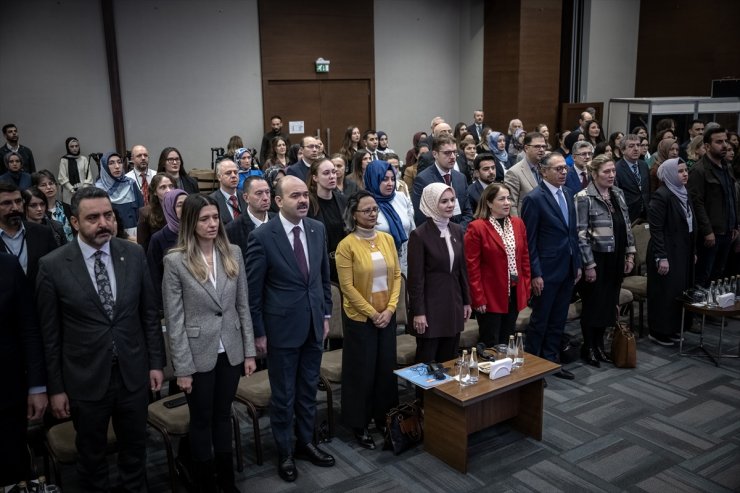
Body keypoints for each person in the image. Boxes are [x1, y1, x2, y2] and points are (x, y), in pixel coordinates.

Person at [35, 186, 165, 492]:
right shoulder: (52, 266)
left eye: (108, 215)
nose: (104, 223)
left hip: (133, 375)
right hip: (86, 380)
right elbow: (49, 336)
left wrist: (156, 364)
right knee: (92, 460)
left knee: (135, 451)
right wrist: (55, 388)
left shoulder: (133, 254)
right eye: (93, 217)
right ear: (75, 222)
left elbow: (149, 315)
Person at [162, 194, 256, 491]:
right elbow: (174, 320)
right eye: (204, 219)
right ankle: (204, 483)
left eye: (215, 217)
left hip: (230, 349)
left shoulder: (233, 253)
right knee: (201, 420)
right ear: (191, 222)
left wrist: (250, 352)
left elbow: (243, 306)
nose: (212, 223)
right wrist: (183, 369)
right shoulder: (175, 261)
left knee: (222, 415)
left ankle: (226, 483)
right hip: (196, 354)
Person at [246, 175, 335, 482]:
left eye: (305, 195)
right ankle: (284, 452)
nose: (302, 200)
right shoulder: (263, 236)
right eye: (294, 195)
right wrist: (258, 333)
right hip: (281, 330)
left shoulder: (317, 228)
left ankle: (305, 442)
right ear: (278, 201)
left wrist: (325, 316)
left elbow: (323, 278)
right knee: (283, 396)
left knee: (308, 389)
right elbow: (253, 292)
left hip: (313, 325)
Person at [335, 189, 400, 450]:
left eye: (375, 209)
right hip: (361, 320)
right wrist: (373, 314)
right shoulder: (346, 245)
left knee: (386, 371)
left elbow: (396, 276)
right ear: (354, 214)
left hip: (387, 315)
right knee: (361, 373)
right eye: (367, 210)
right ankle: (359, 424)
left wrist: (391, 309)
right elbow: (347, 288)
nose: (373, 214)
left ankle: (385, 418)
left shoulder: (387, 239)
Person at [521, 153, 582, 379]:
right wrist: (535, 273)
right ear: (543, 171)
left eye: (564, 168)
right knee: (540, 321)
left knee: (558, 319)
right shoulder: (534, 198)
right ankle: (533, 370)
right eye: (557, 169)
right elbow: (530, 241)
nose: (563, 172)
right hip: (545, 271)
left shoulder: (567, 193)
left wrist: (576, 263)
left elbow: (572, 233)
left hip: (566, 267)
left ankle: (551, 361)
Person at [575, 155, 635, 367]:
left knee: (609, 304)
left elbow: (626, 226)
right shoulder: (584, 197)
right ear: (594, 174)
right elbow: (580, 234)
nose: (611, 175)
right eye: (606, 172)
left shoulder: (617, 194)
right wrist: (589, 264)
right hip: (596, 257)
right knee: (593, 304)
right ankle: (589, 347)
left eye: (613, 171)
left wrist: (630, 253)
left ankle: (600, 346)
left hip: (616, 255)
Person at [408, 183, 472, 363]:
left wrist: (466, 301)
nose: (450, 205)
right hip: (430, 308)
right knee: (427, 363)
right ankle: (424, 393)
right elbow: (415, 280)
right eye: (444, 201)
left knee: (450, 360)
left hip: (453, 304)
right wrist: (418, 312)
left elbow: (462, 270)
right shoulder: (419, 235)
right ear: (430, 204)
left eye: (452, 200)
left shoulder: (457, 230)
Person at [0, 253, 47, 486]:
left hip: (7, 393)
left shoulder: (7, 265)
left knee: (13, 468)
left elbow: (29, 328)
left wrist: (37, 386)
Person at [465, 183, 531, 346]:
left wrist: (526, 286)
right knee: (490, 341)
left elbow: (524, 257)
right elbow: (472, 267)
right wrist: (478, 298)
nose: (507, 202)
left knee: (508, 338)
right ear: (488, 202)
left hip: (514, 292)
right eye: (502, 199)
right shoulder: (477, 227)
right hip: (490, 295)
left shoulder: (518, 223)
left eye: (509, 198)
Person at [647, 158, 696, 345]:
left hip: (682, 250)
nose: (684, 174)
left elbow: (691, 224)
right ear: (668, 174)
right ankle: (659, 331)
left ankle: (672, 328)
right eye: (680, 171)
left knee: (678, 290)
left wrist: (693, 250)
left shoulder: (683, 192)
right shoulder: (662, 195)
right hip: (665, 251)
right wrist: (661, 257)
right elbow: (656, 229)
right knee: (664, 293)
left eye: (685, 170)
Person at [687, 127, 737, 289]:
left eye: (725, 141)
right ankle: (698, 311)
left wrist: (735, 224)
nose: (724, 145)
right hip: (710, 233)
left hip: (727, 230)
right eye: (718, 142)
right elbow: (697, 203)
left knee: (719, 273)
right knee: (703, 274)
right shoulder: (698, 170)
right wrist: (707, 231)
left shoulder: (727, 167)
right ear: (707, 146)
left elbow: (731, 197)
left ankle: (713, 307)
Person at [0, 182, 59, 284]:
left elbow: (56, 270)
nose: (15, 208)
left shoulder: (43, 233)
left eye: (18, 201)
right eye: (7, 203)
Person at [364, 160, 414, 275]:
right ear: (374, 179)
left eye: (392, 179)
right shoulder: (365, 203)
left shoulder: (401, 197)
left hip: (404, 263)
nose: (390, 183)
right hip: (377, 267)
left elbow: (412, 229)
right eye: (384, 179)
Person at [412, 135, 473, 230]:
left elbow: (468, 212)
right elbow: (421, 217)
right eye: (447, 153)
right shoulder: (423, 180)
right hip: (436, 237)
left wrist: (458, 231)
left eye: (454, 152)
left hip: (460, 235)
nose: (453, 157)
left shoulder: (461, 178)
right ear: (435, 154)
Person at [307, 158, 348, 281]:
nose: (332, 176)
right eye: (326, 173)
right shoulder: (308, 204)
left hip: (344, 261)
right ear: (315, 178)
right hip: (321, 264)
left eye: (334, 172)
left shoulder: (343, 200)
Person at [148, 188, 188, 311]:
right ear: (170, 208)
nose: (185, 208)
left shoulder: (198, 232)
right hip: (173, 301)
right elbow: (154, 275)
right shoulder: (159, 238)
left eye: (188, 204)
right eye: (180, 205)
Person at [95, 151, 144, 238]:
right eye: (111, 163)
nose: (117, 167)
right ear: (104, 167)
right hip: (110, 234)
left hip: (134, 233)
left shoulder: (130, 183)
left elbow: (141, 209)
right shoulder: (98, 189)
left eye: (119, 162)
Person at [504, 132, 548, 216]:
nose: (542, 149)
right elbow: (511, 205)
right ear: (526, 148)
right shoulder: (514, 172)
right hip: (527, 223)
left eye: (543, 146)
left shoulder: (546, 168)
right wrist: (517, 227)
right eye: (537, 146)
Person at [615, 134, 651, 223]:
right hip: (628, 215)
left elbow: (647, 189)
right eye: (631, 146)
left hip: (646, 214)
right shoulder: (617, 169)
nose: (636, 149)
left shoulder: (644, 165)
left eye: (638, 145)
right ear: (623, 150)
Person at [136, 173, 175, 253]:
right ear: (155, 192)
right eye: (163, 187)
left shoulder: (181, 209)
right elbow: (143, 245)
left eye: (171, 186)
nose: (168, 190)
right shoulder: (146, 213)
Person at [32, 170, 74, 241]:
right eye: (43, 185)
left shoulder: (67, 207)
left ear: (56, 186)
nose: (48, 187)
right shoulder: (36, 212)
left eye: (51, 183)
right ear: (36, 188)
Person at [209, 158, 247, 225]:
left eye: (235, 172)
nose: (233, 176)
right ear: (219, 177)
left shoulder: (246, 196)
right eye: (228, 173)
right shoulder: (211, 200)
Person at [58, 137, 94, 202]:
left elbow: (89, 177)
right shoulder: (64, 160)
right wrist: (72, 189)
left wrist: (84, 189)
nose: (74, 148)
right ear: (68, 147)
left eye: (76, 146)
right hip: (69, 192)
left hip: (83, 191)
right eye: (72, 146)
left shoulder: (83, 159)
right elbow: (62, 177)